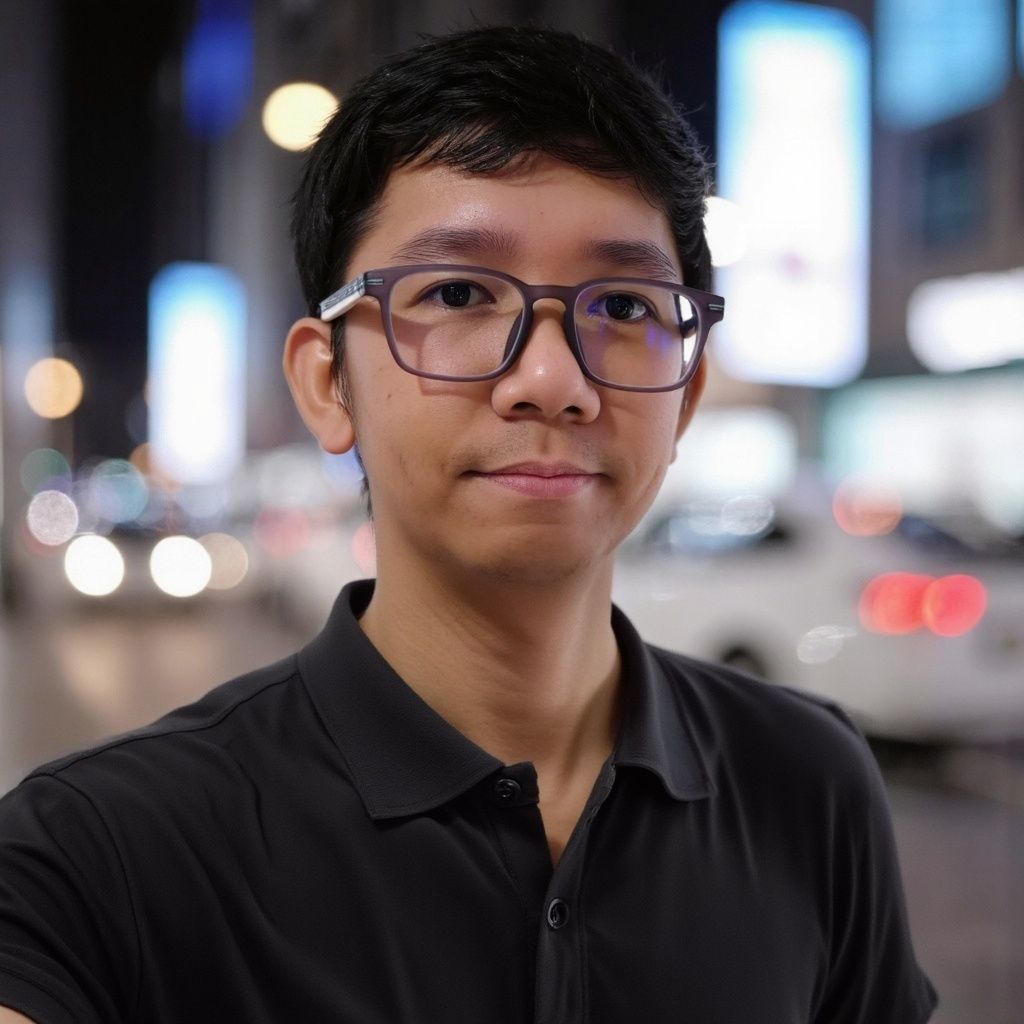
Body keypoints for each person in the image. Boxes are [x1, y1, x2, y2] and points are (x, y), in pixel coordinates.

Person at [0, 24, 937, 1024]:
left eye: (622, 303)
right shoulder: (98, 853)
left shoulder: (805, 783)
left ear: (688, 393)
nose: (550, 379)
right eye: (456, 292)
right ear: (327, 382)